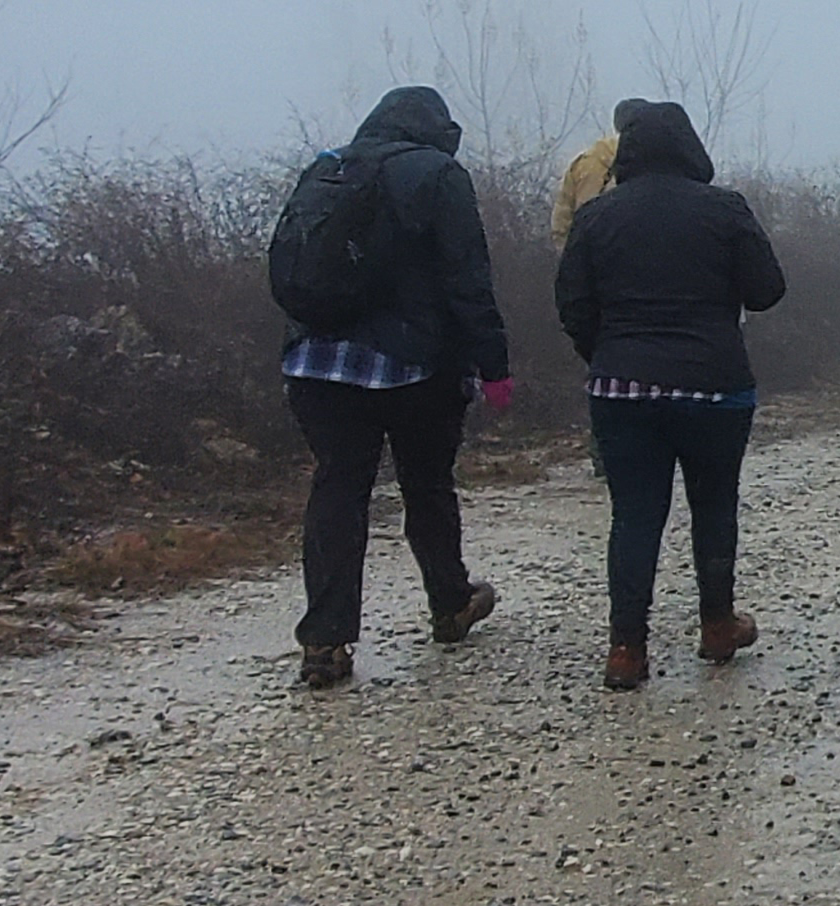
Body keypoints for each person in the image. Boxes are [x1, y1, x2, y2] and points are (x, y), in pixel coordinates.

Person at [278, 84, 514, 693]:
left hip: (317, 360)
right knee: (427, 484)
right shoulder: (438, 174)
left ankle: (325, 641)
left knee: (338, 485)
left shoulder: (328, 166)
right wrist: (493, 364)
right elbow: (467, 277)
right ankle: (450, 603)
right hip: (414, 363)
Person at [553, 97, 788, 689]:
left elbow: (572, 305)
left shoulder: (596, 218)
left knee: (633, 515)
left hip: (621, 388)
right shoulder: (724, 209)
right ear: (691, 148)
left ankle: (627, 650)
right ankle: (716, 626)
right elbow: (767, 290)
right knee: (714, 506)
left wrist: (605, 356)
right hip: (714, 388)